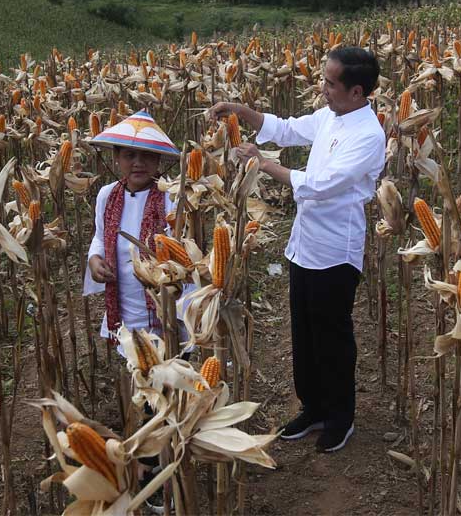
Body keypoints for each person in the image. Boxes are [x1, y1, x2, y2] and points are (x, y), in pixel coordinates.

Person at [209, 46, 385, 453]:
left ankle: (340, 417)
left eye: (329, 82)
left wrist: (263, 163)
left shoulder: (368, 135)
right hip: (304, 244)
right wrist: (242, 110)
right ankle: (314, 406)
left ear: (357, 91)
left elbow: (322, 185)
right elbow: (288, 128)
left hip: (335, 251)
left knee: (332, 336)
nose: (321, 88)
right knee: (304, 333)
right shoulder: (332, 115)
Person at [83, 109, 185, 513]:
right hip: (123, 318)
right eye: (128, 155)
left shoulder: (173, 197)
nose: (137, 163)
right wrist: (94, 260)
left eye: (145, 156)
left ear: (159, 161)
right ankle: (146, 472)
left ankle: (168, 471)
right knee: (138, 399)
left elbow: (184, 254)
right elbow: (97, 238)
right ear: (117, 159)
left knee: (164, 398)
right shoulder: (107, 196)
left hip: (165, 318)